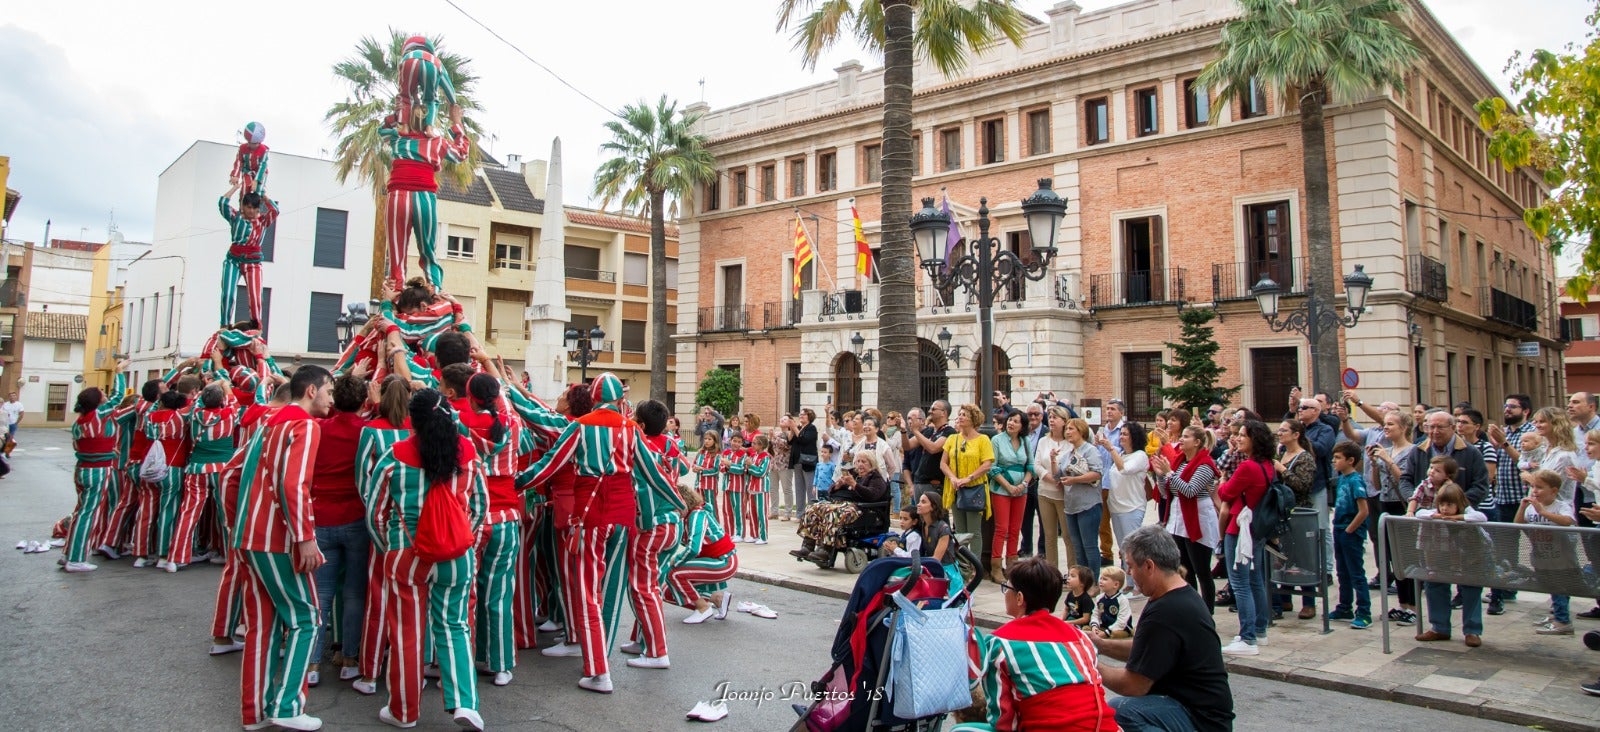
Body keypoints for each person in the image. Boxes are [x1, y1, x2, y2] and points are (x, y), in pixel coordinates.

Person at [365, 388, 486, 730]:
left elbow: (375, 512)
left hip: (407, 552)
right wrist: (463, 539)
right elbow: (480, 507)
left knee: (406, 632)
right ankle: (465, 702)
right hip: (456, 555)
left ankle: (404, 711)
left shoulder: (395, 454)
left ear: (412, 420)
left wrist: (389, 544)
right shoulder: (468, 453)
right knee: (455, 626)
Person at [516, 373, 644, 694]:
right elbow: (650, 473)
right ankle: (603, 658)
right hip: (623, 513)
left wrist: (516, 482)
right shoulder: (632, 429)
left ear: (595, 397)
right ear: (618, 399)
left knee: (587, 590)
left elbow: (552, 463)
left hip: (590, 513)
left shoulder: (580, 425)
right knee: (611, 593)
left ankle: (598, 670)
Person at [232, 365, 333, 732]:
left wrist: (238, 523)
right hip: (277, 539)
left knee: (262, 627)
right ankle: (288, 706)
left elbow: (231, 473)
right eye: (328, 392)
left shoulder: (267, 422)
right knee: (307, 619)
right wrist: (305, 537)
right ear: (311, 391)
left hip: (248, 536)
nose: (331, 400)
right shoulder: (305, 426)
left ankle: (254, 712)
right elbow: (295, 485)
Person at [1093, 525, 1233, 732]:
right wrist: (1100, 645)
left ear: (1149, 566)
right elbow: (1149, 648)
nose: (1129, 573)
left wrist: (1088, 663)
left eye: (1131, 566)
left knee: (1122, 710)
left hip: (1200, 719)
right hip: (1204, 713)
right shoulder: (1179, 594)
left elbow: (1133, 685)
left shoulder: (1167, 610)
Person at [956, 556, 1119, 732]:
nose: (1005, 594)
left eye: (1006, 588)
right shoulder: (1081, 638)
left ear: (1019, 598)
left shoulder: (1000, 643)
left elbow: (1003, 721)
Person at [308, 374, 368, 687]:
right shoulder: (366, 431)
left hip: (321, 516)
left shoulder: (318, 429)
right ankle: (350, 657)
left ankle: (312, 662)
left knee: (321, 593)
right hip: (356, 516)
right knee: (355, 591)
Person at [381, 102, 469, 291]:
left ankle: (396, 290)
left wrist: (396, 115)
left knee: (397, 253)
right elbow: (461, 153)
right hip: (424, 198)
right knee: (428, 252)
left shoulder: (397, 138)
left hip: (398, 197)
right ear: (429, 120)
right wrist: (456, 123)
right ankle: (435, 289)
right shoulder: (437, 142)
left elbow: (383, 130)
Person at [60, 362, 128, 573]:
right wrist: (119, 373)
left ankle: (68, 553)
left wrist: (108, 450)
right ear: (97, 402)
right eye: (101, 393)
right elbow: (118, 397)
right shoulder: (98, 415)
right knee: (88, 514)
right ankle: (76, 558)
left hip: (82, 468)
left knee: (80, 511)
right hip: (97, 470)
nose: (105, 395)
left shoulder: (79, 422)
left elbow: (81, 445)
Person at [1217, 420, 1275, 654]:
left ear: (1255, 440)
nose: (1238, 438)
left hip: (1240, 529)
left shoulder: (1248, 467)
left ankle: (1247, 636)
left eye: (1243, 435)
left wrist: (1222, 480)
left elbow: (1225, 492)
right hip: (1256, 528)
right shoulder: (1268, 465)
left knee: (1240, 583)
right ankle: (1259, 630)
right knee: (1255, 580)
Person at [1151, 426, 1219, 613]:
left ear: (1197, 442)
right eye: (1181, 436)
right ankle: (1192, 609)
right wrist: (1161, 475)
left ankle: (1207, 612)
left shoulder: (1205, 464)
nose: (1181, 439)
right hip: (1178, 518)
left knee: (1201, 570)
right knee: (1185, 569)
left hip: (1197, 517)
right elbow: (1167, 493)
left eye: (1186, 437)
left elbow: (1190, 491)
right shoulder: (1180, 461)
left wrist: (1169, 473)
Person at [1415, 483, 1489, 647]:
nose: (1445, 508)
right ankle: (1439, 627)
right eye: (1442, 504)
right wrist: (1435, 515)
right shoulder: (1436, 512)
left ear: (1459, 504)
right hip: (1443, 559)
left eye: (1450, 504)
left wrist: (1458, 518)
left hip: (1468, 560)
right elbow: (1420, 513)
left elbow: (1481, 517)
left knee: (1471, 588)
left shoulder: (1468, 511)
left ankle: (1472, 630)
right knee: (1433, 583)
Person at [1366, 411, 1419, 624]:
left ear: (1403, 428)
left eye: (1390, 424)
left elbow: (1405, 480)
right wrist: (1374, 464)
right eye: (1385, 424)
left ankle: (1413, 607)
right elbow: (1377, 485)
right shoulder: (1386, 449)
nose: (1385, 428)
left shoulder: (1413, 452)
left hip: (1403, 505)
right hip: (1385, 504)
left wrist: (1388, 461)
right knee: (1393, 556)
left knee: (1406, 556)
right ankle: (1402, 604)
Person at [662, 482, 738, 624]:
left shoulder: (697, 514)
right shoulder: (686, 517)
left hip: (724, 562)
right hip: (714, 561)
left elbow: (693, 548)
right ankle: (717, 599)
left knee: (674, 573)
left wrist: (676, 560)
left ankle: (703, 608)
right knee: (666, 592)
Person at [1486, 394, 1534, 614]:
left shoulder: (1530, 433)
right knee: (1505, 546)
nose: (1507, 410)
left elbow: (1525, 463)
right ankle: (1507, 587)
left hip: (1523, 498)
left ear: (1525, 411)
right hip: (1503, 496)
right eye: (1505, 406)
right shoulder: (1508, 433)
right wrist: (1497, 444)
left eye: (1512, 407)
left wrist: (1503, 443)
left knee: (1536, 545)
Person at [792, 451, 888, 561]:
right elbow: (830, 492)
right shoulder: (852, 474)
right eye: (858, 462)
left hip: (862, 508)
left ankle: (826, 549)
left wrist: (854, 485)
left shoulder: (876, 478)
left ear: (871, 463)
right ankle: (808, 546)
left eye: (864, 462)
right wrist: (838, 486)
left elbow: (872, 495)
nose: (860, 464)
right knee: (812, 508)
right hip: (841, 503)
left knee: (832, 512)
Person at [1517, 469, 1578, 636]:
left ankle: (1563, 621)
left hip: (1561, 559)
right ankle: (1557, 616)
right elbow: (1518, 524)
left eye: (1540, 487)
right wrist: (1522, 507)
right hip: (1541, 557)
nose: (1535, 491)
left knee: (1560, 588)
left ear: (1554, 490)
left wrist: (1543, 512)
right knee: (1552, 588)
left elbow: (1567, 521)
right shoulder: (1531, 508)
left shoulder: (1561, 506)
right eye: (1533, 486)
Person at [218, 184, 280, 327]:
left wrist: (263, 195)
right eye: (248, 207)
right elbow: (222, 202)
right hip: (233, 260)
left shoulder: (263, 221)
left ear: (258, 209)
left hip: (253, 262)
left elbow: (275, 210)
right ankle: (225, 324)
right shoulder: (235, 217)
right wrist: (235, 188)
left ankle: (256, 324)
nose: (251, 211)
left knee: (256, 297)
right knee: (227, 293)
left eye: (254, 208)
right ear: (243, 206)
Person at [941, 403, 995, 561]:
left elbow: (987, 464)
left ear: (973, 419)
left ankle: (974, 564)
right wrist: (953, 478)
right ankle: (962, 563)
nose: (960, 417)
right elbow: (943, 463)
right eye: (960, 414)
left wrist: (969, 478)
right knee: (960, 530)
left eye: (964, 415)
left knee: (974, 531)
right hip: (955, 487)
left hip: (974, 488)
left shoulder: (983, 439)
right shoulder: (952, 439)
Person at [1103, 420, 1150, 594]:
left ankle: (1139, 584)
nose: (1121, 437)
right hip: (1116, 507)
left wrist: (1111, 449)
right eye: (1121, 434)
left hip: (1132, 507)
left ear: (1134, 437)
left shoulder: (1140, 456)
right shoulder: (1121, 454)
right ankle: (1129, 582)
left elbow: (1125, 470)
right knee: (1123, 549)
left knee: (1133, 548)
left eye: (1125, 434)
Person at [1329, 442, 1372, 630]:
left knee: (1356, 572)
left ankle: (1364, 612)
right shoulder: (1342, 478)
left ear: (1351, 460)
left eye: (1338, 458)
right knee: (1342, 571)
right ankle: (1344, 606)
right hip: (1339, 528)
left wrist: (1349, 530)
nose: (1334, 461)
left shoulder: (1356, 480)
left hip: (1350, 531)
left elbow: (1363, 510)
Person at [988, 410, 1033, 583]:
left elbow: (1030, 465)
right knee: (1002, 528)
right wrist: (1008, 486)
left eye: (1016, 421)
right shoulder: (997, 440)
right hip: (1001, 488)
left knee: (1015, 528)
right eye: (1010, 420)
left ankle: (1012, 564)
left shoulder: (1026, 441)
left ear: (1022, 426)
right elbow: (993, 466)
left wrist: (1023, 484)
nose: (1011, 423)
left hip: (1021, 489)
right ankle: (996, 567)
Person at [1058, 417, 1106, 574]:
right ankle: (1083, 581)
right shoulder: (1068, 453)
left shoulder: (1090, 450)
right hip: (1071, 506)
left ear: (1081, 431)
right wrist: (1053, 460)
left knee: (1090, 546)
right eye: (1066, 429)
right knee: (1077, 547)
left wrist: (1074, 479)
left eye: (1071, 429)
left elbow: (1097, 473)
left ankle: (1093, 581)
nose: (1068, 432)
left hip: (1088, 505)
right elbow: (1057, 474)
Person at [1033, 406, 1073, 569]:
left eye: (1055, 417)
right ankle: (1052, 572)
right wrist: (1049, 478)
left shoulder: (1070, 443)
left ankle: (1072, 571)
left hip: (1064, 495)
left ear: (1064, 421)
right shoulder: (1044, 441)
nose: (1051, 420)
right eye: (1049, 417)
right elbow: (1036, 464)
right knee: (1049, 536)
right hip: (1045, 493)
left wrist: (1061, 480)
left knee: (1067, 535)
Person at [788, 408, 820, 519]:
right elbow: (790, 441)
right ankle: (800, 514)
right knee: (799, 488)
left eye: (804, 415)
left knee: (810, 488)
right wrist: (792, 429)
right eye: (800, 414)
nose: (801, 416)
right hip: (797, 461)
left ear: (809, 417)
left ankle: (812, 514)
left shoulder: (811, 428)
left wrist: (795, 429)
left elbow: (804, 440)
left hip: (808, 462)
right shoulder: (799, 428)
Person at [1090, 566, 1134, 639]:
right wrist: (1094, 626)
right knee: (1086, 630)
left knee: (1115, 634)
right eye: (1100, 578)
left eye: (1105, 579)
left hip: (1120, 629)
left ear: (1116, 585)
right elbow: (1096, 614)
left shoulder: (1122, 600)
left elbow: (1122, 622)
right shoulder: (1100, 598)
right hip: (1105, 627)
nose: (1100, 581)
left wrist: (1107, 633)